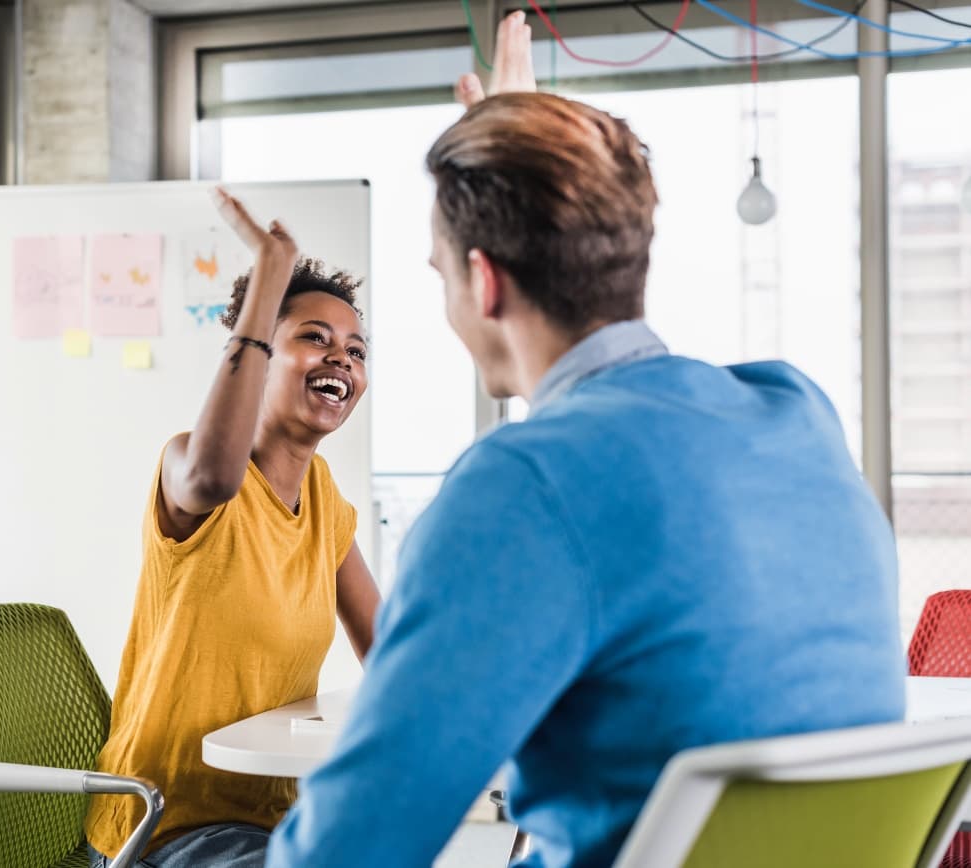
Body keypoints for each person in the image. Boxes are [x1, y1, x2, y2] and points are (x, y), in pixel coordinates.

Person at [265, 12, 906, 868]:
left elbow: (344, 851)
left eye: (439, 271)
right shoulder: (796, 416)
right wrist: (534, 166)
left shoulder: (517, 488)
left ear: (483, 281)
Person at [85, 188, 381, 867]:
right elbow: (215, 477)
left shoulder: (324, 501)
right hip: (163, 825)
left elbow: (388, 650)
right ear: (259, 358)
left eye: (356, 350)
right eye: (313, 338)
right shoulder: (191, 465)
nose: (342, 359)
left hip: (274, 816)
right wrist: (271, 271)